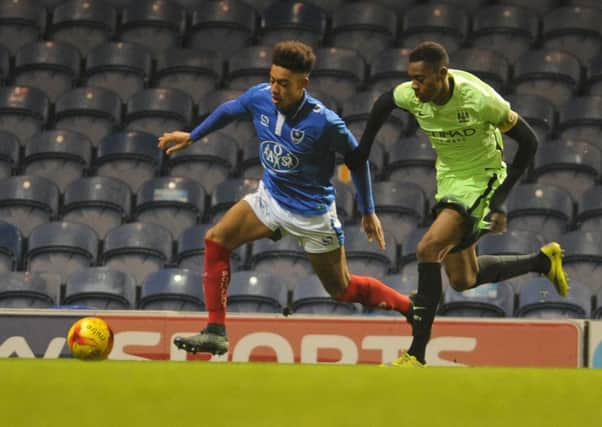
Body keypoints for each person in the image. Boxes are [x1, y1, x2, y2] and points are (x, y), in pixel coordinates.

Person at [158, 40, 412, 356]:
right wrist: (192, 135)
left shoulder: (326, 123)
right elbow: (228, 110)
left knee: (341, 288)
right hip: (271, 200)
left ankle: (409, 306)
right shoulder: (261, 96)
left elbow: (357, 161)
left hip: (312, 215)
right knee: (216, 240)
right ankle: (215, 330)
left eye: (284, 83)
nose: (275, 89)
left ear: (304, 83)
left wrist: (368, 210)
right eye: (273, 80)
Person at [345, 41, 569, 367]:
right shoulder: (412, 94)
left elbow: (529, 141)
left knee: (427, 248)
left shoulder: (479, 99)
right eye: (412, 79)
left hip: (483, 179)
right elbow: (383, 103)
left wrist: (500, 200)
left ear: (443, 74)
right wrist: (363, 150)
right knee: (464, 279)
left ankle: (416, 354)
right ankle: (542, 262)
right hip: (449, 180)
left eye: (421, 79)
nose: (415, 86)